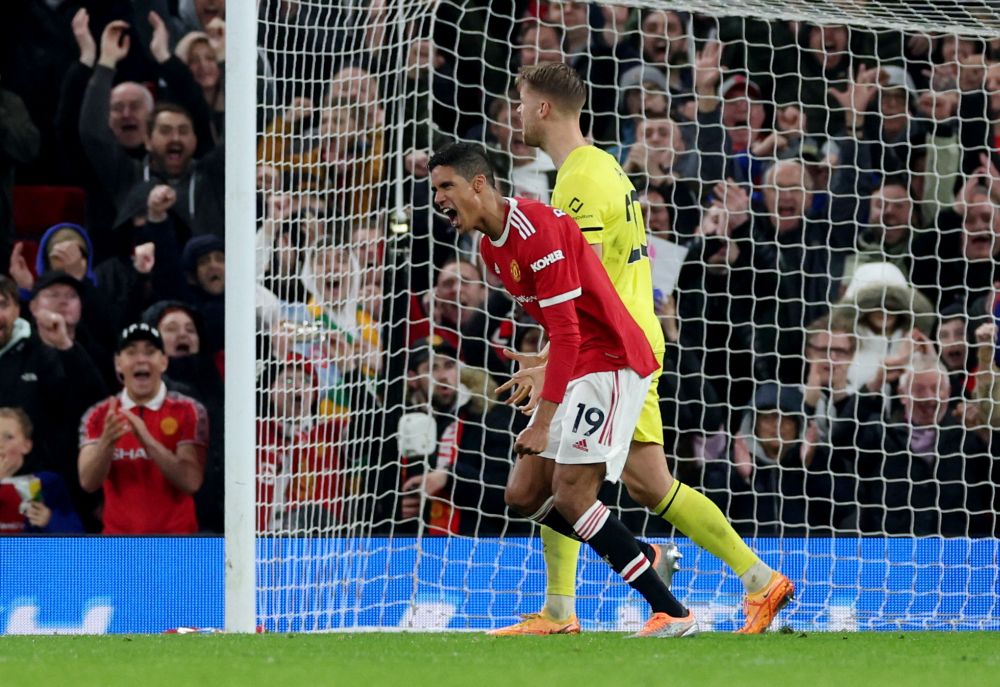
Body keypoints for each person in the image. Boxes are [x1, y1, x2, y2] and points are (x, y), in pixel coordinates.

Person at [501, 61, 792, 636]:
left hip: (609, 350)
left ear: (542, 108)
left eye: (519, 101)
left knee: (558, 476)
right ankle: (759, 580)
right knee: (648, 483)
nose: (513, 112)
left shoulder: (582, 179)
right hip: (629, 340)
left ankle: (573, 608)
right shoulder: (598, 167)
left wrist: (551, 360)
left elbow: (574, 282)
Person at [429, 142, 696, 637]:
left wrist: (547, 418)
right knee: (523, 493)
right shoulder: (491, 250)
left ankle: (673, 614)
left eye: (447, 186)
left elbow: (573, 332)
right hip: (578, 363)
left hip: (613, 359)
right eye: (434, 189)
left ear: (479, 184)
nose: (439, 198)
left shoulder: (536, 230)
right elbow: (563, 325)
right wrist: (542, 365)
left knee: (574, 495)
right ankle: (641, 555)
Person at [78, 322, 208, 534]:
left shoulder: (189, 410)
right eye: (131, 352)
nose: (141, 359)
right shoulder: (98, 415)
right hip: (118, 544)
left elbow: (191, 481)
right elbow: (88, 482)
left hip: (178, 544)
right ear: (118, 363)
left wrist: (147, 440)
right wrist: (106, 443)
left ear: (164, 362)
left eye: (150, 352)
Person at [0, 407, 83, 534]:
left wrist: (49, 520)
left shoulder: (47, 482)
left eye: (8, 437)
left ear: (26, 446)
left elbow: (77, 536)